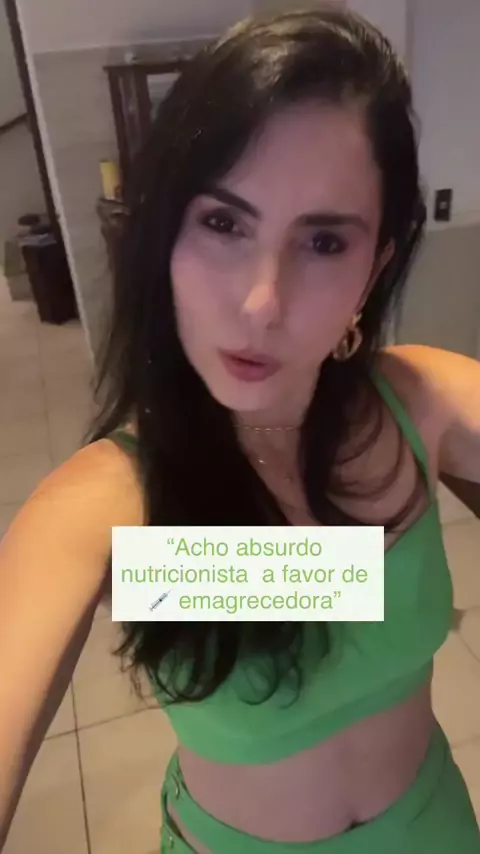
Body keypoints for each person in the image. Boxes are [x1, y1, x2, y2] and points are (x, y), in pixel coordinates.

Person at [1, 6, 480, 853]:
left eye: (323, 241)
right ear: (164, 235)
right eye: (223, 223)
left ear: (375, 265)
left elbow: (332, 586)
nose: (262, 302)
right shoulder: (105, 504)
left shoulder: (420, 401)